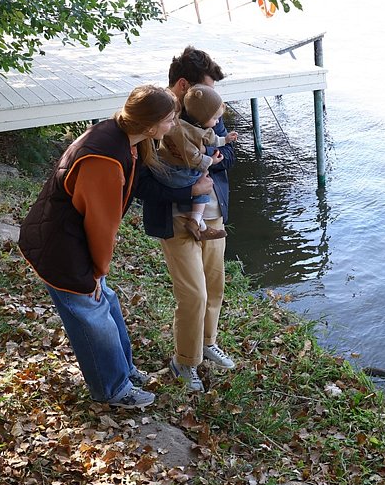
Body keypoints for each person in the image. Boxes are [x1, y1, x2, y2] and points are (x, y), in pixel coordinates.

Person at [19, 84, 185, 409]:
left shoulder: (123, 137)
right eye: (170, 120)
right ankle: (112, 390)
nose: (173, 125)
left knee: (105, 302)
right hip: (61, 248)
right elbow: (100, 224)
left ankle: (124, 371)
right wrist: (96, 272)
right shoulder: (106, 159)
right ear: (151, 125)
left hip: (69, 239)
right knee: (93, 317)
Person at [136, 46, 236, 393]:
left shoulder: (208, 108)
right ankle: (184, 361)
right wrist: (189, 189)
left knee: (214, 287)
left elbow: (229, 156)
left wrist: (204, 161)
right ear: (183, 86)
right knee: (193, 293)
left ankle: (207, 344)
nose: (211, 97)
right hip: (176, 220)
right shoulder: (155, 118)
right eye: (204, 88)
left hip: (214, 216)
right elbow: (142, 182)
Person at [153, 84, 238, 241]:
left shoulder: (199, 125)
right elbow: (192, 158)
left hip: (174, 170)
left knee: (202, 178)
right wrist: (210, 160)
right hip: (176, 173)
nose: (218, 121)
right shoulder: (181, 131)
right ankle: (195, 220)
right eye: (214, 119)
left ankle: (201, 226)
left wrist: (225, 139)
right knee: (203, 182)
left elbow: (214, 140)